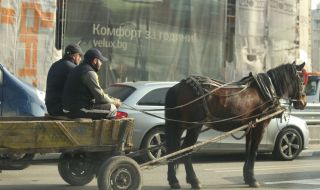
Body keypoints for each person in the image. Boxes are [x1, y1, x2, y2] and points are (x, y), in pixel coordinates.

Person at [62, 48, 121, 119]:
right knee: (112, 109)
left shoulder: (77, 69)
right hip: (77, 110)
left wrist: (110, 99)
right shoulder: (90, 73)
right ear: (95, 61)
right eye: (100, 61)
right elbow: (100, 97)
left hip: (68, 109)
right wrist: (114, 102)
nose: (101, 64)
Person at [45, 44, 83, 116]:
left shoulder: (55, 65)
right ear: (74, 56)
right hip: (61, 109)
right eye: (80, 56)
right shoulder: (73, 68)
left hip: (50, 108)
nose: (80, 59)